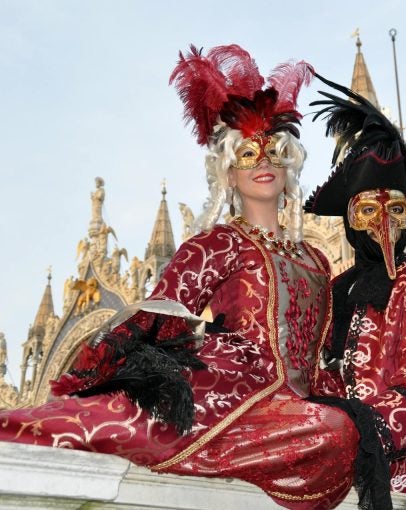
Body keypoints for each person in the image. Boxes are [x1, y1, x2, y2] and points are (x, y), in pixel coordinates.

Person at [0, 45, 358, 510]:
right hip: (219, 390)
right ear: (228, 173)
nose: (263, 162)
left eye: (274, 151)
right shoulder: (218, 243)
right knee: (99, 421)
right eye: (247, 152)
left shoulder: (316, 259)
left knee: (338, 432)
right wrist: (110, 375)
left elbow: (322, 354)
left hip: (295, 411)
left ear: (290, 164)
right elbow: (158, 315)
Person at [304, 74, 406, 509]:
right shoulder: (332, 293)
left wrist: (354, 432)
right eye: (368, 209)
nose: (383, 222)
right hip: (329, 469)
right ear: (348, 218)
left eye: (396, 208)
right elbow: (314, 374)